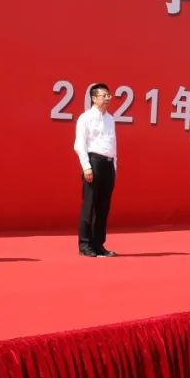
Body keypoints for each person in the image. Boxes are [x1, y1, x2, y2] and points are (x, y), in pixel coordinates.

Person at [74, 83, 118, 257]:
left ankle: (98, 244)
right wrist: (86, 167)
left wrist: (114, 168)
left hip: (108, 164)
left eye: (108, 95)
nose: (107, 98)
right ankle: (85, 244)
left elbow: (113, 145)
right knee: (90, 206)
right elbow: (80, 144)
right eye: (104, 95)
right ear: (94, 98)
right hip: (94, 163)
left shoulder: (110, 119)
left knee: (103, 207)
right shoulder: (85, 118)